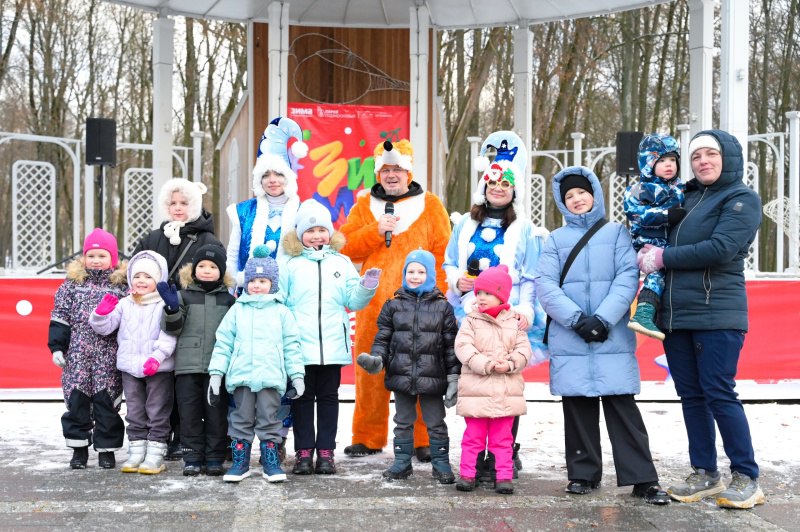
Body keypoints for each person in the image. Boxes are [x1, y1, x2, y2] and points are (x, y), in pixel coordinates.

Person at [637, 130, 765, 509]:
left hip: (718, 312)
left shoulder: (741, 198)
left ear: (728, 158)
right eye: (696, 156)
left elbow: (720, 248)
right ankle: (705, 472)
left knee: (719, 392)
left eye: (711, 154)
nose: (703, 161)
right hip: (676, 315)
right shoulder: (685, 197)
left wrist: (662, 257)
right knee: (691, 396)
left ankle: (746, 476)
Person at [535, 166, 670, 505]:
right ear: (562, 203)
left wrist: (603, 319)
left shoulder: (617, 233)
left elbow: (627, 277)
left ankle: (642, 478)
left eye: (582, 192)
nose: (577, 199)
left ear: (595, 194)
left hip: (611, 334)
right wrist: (577, 320)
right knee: (577, 407)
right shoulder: (555, 240)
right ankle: (583, 474)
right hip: (571, 335)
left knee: (622, 407)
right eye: (569, 196)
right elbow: (545, 285)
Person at [443, 130, 549, 482]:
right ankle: (475, 455)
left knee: (505, 384)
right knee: (476, 382)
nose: (498, 189)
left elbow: (531, 276)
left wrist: (526, 311)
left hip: (507, 318)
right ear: (484, 187)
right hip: (470, 315)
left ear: (514, 191)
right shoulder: (464, 224)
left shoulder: (525, 229)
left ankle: (504, 453)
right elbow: (449, 262)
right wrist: (456, 280)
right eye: (493, 184)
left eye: (505, 185)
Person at [339, 139, 452, 460]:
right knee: (369, 372)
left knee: (421, 372)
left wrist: (439, 299)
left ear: (408, 172)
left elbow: (444, 253)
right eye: (386, 170)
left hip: (420, 306)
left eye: (397, 170)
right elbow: (345, 246)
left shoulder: (430, 205)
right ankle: (367, 436)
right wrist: (375, 231)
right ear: (378, 174)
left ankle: (422, 439)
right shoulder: (364, 205)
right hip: (373, 306)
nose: (391, 175)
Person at [280, 199, 379, 476]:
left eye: (322, 230)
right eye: (310, 231)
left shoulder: (341, 262)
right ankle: (303, 453)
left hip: (332, 346)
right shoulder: (290, 264)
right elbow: (281, 302)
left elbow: (353, 301)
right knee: (301, 399)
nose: (316, 236)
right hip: (299, 347)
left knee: (328, 399)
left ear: (330, 232)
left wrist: (366, 286)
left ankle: (325, 452)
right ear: (300, 234)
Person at [133, 176, 222, 460]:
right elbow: (135, 271)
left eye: (184, 202)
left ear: (194, 205)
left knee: (185, 381)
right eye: (173, 203)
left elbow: (217, 277)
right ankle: (162, 433)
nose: (178, 207)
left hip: (192, 319)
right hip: (154, 317)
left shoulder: (208, 240)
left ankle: (185, 435)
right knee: (161, 380)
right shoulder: (153, 238)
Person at [356, 250, 460, 484]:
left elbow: (450, 346)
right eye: (410, 271)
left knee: (435, 423)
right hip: (401, 374)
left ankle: (441, 464)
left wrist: (453, 377)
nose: (415, 276)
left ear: (430, 274)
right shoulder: (393, 305)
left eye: (421, 272)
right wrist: (378, 359)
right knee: (402, 421)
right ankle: (402, 463)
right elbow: (383, 338)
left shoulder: (443, 307)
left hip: (432, 376)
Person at [207, 245, 305, 484]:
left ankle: (270, 460)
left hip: (270, 377)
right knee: (240, 419)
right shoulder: (236, 311)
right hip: (241, 377)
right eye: (252, 281)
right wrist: (216, 373)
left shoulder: (282, 312)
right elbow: (223, 343)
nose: (256, 285)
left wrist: (297, 376)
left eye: (262, 281)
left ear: (272, 283)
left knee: (269, 418)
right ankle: (240, 462)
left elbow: (292, 346)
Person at [89, 250, 177, 475]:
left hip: (157, 368)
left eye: (148, 276)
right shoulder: (125, 303)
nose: (141, 281)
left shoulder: (163, 304)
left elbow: (170, 335)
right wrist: (100, 314)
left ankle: (155, 453)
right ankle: (137, 451)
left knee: (157, 410)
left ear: (158, 279)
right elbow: (105, 328)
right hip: (130, 368)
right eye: (137, 276)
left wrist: (157, 358)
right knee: (135, 411)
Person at [48, 228, 128, 469]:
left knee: (107, 402)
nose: (96, 260)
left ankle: (106, 450)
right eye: (91, 255)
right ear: (84, 257)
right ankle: (78, 448)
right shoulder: (72, 286)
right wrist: (57, 348)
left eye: (102, 256)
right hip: (77, 354)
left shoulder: (121, 287)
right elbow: (60, 317)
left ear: (112, 258)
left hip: (108, 354)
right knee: (77, 400)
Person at [158, 244, 236, 477]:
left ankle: (214, 457)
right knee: (189, 413)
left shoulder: (228, 300)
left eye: (213, 267)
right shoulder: (183, 296)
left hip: (217, 368)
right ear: (193, 270)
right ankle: (192, 456)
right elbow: (172, 329)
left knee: (216, 414)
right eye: (202, 265)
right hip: (187, 366)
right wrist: (172, 309)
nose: (207, 270)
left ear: (221, 271)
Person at [453, 265, 531, 495]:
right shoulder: (471, 320)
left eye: (487, 293)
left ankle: (503, 476)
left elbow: (523, 350)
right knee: (473, 437)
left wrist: (510, 363)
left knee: (502, 438)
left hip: (504, 391)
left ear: (501, 295)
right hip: (476, 390)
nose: (481, 297)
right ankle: (468, 474)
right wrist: (484, 364)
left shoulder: (514, 322)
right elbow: (463, 346)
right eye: (478, 293)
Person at [226, 116, 308, 291]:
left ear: (288, 177)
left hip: (289, 294)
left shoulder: (303, 212)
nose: (272, 180)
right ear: (259, 181)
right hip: (249, 293)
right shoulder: (244, 211)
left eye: (278, 174)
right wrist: (230, 290)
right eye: (265, 175)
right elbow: (232, 256)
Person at [623, 133, 686, 340]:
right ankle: (643, 312)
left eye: (672, 160)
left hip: (670, 245)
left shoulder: (678, 188)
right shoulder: (639, 189)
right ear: (648, 163)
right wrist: (666, 215)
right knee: (657, 274)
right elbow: (634, 213)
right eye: (662, 160)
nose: (669, 165)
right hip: (648, 243)